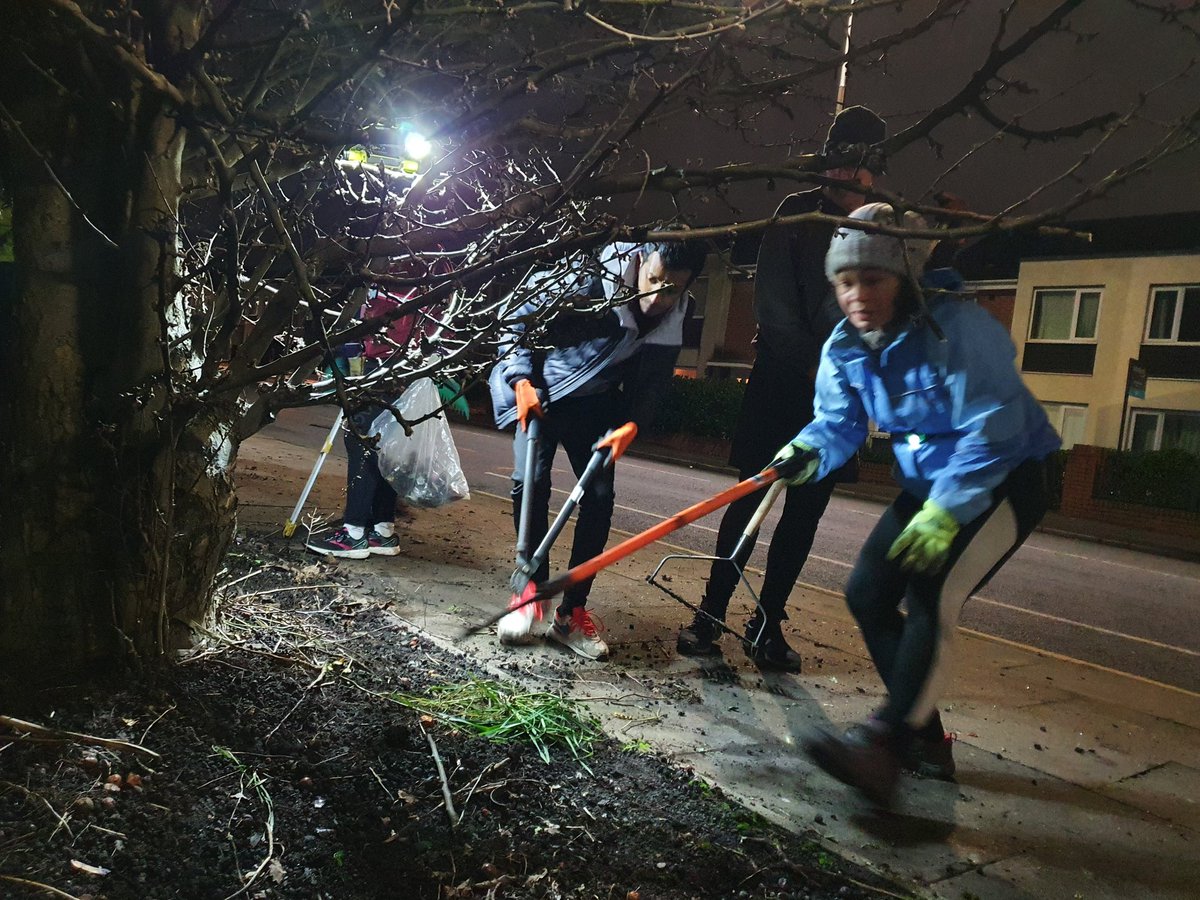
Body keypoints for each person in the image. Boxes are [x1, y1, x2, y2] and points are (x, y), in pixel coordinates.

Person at [773, 202, 1061, 806]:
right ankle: (924, 739)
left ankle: (887, 748)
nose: (857, 296)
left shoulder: (958, 329)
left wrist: (945, 513)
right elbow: (839, 421)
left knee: (930, 592)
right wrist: (805, 452)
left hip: (1006, 477)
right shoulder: (846, 345)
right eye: (845, 282)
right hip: (930, 486)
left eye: (872, 280)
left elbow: (993, 431)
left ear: (904, 275)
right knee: (866, 592)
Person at [676, 106, 888, 670]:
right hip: (781, 386)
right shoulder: (795, 216)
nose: (844, 174)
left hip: (839, 402)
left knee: (804, 517)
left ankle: (767, 626)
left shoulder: (882, 227)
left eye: (857, 165)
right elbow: (775, 314)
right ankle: (710, 615)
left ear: (873, 170)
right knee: (748, 505)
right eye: (838, 161)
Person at [489, 239, 708, 660]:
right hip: (542, 389)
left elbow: (654, 382)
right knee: (530, 482)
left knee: (600, 497)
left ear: (688, 287)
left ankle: (570, 614)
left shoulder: (677, 311)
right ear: (640, 262)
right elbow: (516, 314)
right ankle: (530, 594)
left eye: (672, 289)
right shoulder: (590, 277)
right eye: (654, 281)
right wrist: (519, 379)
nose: (658, 297)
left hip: (595, 402)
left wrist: (633, 424)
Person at [306, 286, 445, 559]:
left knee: (362, 441)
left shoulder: (403, 266)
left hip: (386, 362)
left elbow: (383, 318)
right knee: (388, 446)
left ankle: (354, 532)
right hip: (407, 365)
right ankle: (381, 530)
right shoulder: (438, 262)